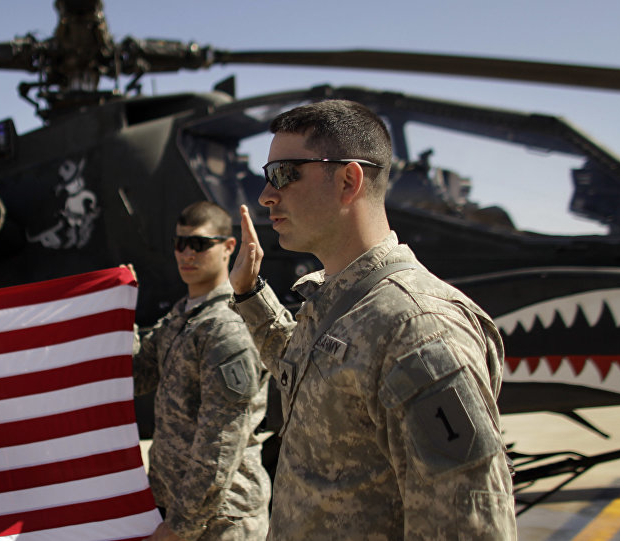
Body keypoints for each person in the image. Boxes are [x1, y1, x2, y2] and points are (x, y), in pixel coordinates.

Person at [229, 100, 517, 539]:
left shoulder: (418, 328)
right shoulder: (340, 300)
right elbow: (303, 367)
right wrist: (249, 293)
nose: (266, 195)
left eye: (284, 174)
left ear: (349, 180)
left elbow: (470, 524)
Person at [134, 201, 271, 541]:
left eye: (198, 244)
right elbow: (136, 377)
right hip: (182, 512)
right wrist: (115, 309)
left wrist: (180, 526)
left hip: (220, 521)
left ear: (228, 246)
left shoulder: (226, 327)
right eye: (180, 243)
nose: (186, 254)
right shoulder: (181, 318)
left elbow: (221, 440)